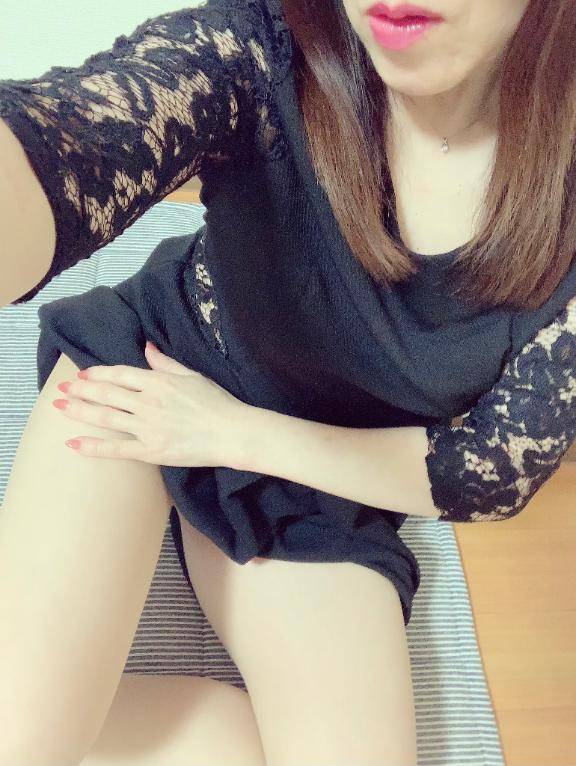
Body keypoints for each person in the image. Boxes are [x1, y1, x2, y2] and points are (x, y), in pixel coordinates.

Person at [0, 0, 574, 763]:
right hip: (156, 371)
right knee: (18, 737)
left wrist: (234, 434)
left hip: (327, 474)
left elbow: (486, 473)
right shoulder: (262, 47)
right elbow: (60, 149)